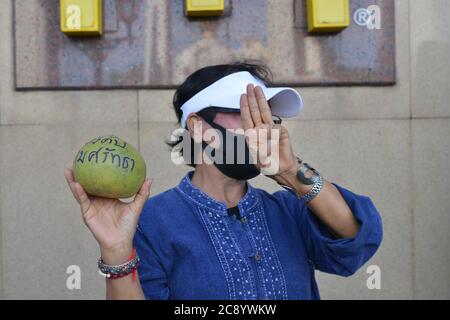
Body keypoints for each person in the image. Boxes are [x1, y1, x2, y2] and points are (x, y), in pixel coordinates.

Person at [64, 62, 383, 300]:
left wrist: (292, 173)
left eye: (268, 115)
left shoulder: (289, 209)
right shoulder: (151, 221)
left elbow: (357, 236)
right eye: (248, 113)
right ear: (200, 127)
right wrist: (118, 251)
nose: (262, 127)